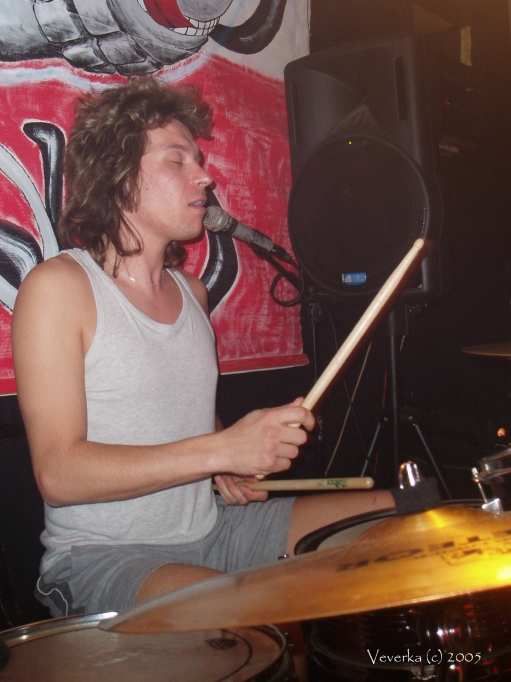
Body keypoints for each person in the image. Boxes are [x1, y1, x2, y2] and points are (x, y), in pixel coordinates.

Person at [12, 78, 394, 619]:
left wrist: (225, 465)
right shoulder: (59, 288)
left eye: (199, 160)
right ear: (118, 176)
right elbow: (59, 475)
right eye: (177, 161)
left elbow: (183, 415)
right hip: (104, 557)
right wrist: (221, 451)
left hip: (213, 529)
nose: (205, 176)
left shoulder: (192, 293)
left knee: (393, 518)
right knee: (246, 617)